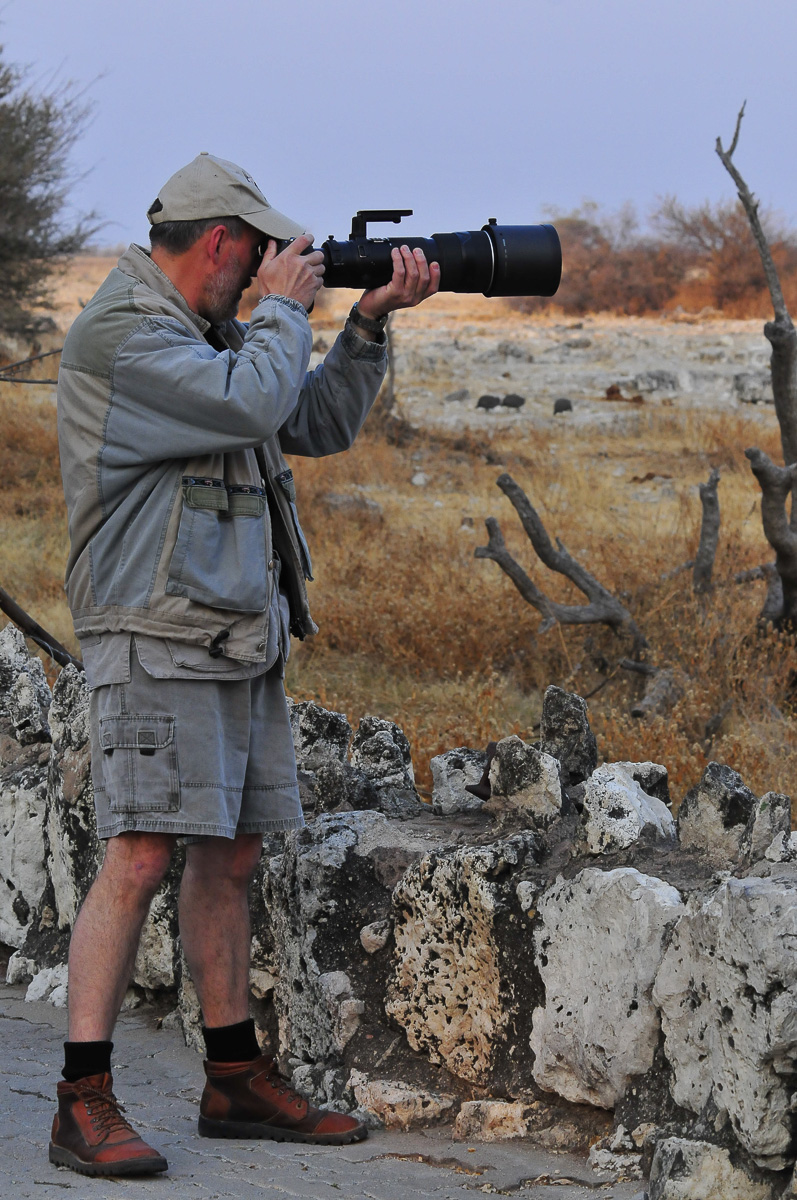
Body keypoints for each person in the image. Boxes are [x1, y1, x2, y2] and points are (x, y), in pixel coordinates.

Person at [51, 152, 440, 1177]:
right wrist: (284, 310)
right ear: (221, 241)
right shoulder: (123, 334)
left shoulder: (214, 335)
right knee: (140, 854)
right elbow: (249, 405)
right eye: (261, 251)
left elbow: (308, 419)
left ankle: (233, 1080)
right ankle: (81, 1101)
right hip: (153, 633)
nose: (271, 267)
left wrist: (365, 325)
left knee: (229, 858)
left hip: (230, 630)